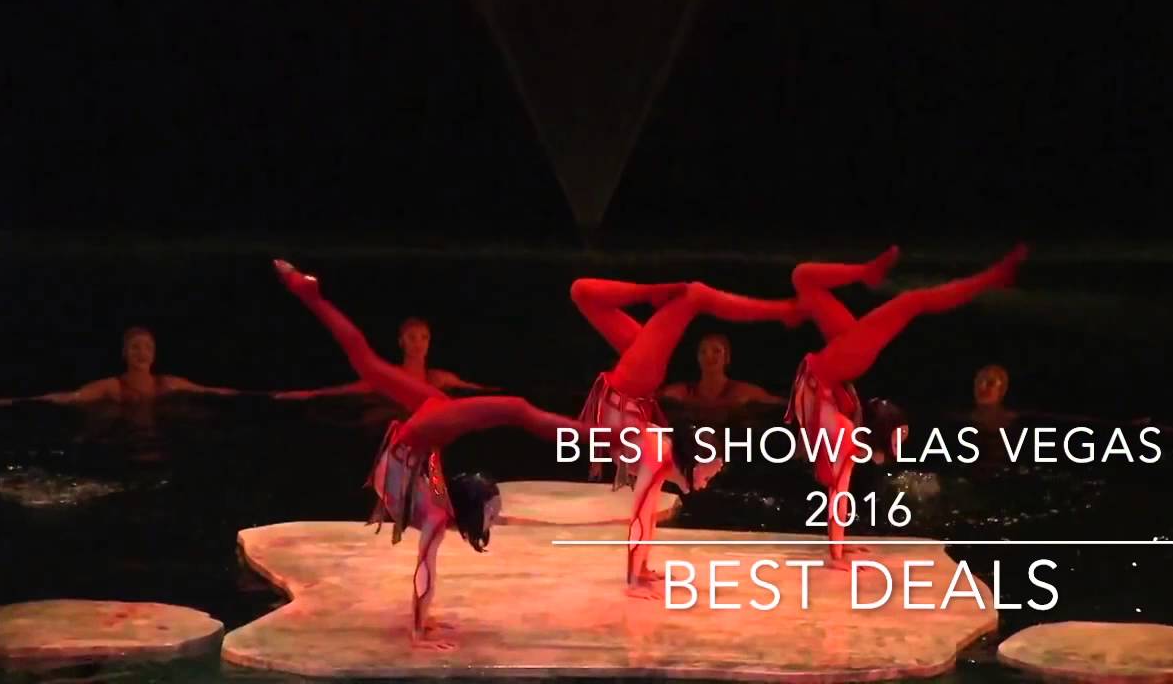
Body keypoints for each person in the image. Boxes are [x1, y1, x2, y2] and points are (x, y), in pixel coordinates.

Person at [274, 260, 603, 650]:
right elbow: (425, 570)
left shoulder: (433, 509)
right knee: (509, 408)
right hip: (412, 449)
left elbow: (424, 571)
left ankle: (308, 294)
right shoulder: (436, 504)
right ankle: (307, 293)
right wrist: (420, 628)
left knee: (513, 409)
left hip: (410, 448)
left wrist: (420, 626)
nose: (493, 518)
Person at [787, 244, 1027, 569]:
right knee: (909, 301)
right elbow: (838, 490)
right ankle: (992, 278)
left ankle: (870, 272)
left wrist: (838, 550)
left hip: (832, 367)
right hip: (835, 366)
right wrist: (837, 552)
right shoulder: (842, 429)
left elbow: (838, 490)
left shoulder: (839, 426)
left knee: (805, 278)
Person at [571, 277, 805, 599]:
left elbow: (646, 514)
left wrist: (641, 570)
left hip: (630, 394)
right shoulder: (658, 454)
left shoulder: (660, 453)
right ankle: (781, 310)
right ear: (693, 463)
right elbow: (640, 516)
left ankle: (659, 292)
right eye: (709, 473)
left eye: (711, 473)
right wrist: (634, 581)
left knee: (586, 294)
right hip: (630, 390)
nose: (708, 481)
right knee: (694, 296)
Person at [0, 327, 239, 406]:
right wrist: (15, 401)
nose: (142, 353)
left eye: (148, 347)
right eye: (135, 347)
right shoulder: (112, 387)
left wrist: (256, 395)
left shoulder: (168, 384)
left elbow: (209, 391)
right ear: (124, 354)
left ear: (154, 354)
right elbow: (69, 397)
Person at [272, 317, 495, 400]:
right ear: (401, 342)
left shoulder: (440, 378)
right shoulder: (390, 376)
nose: (418, 343)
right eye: (412, 338)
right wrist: (309, 394)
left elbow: (483, 393)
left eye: (424, 338)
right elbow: (345, 390)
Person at [659, 333, 787, 410]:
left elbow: (779, 404)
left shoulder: (740, 391)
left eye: (716, 351)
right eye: (703, 351)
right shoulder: (684, 391)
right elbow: (655, 398)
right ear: (698, 358)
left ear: (727, 358)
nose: (709, 356)